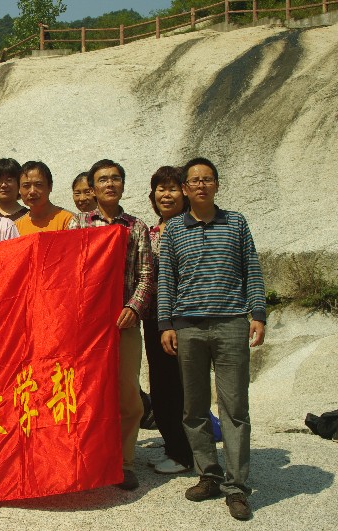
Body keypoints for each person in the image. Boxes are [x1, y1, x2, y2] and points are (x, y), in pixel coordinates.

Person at [158, 158, 266, 521]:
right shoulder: (175, 229)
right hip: (188, 327)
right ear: (185, 189)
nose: (201, 185)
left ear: (216, 185)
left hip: (231, 323)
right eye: (194, 181)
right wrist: (166, 324)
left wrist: (258, 313)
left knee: (235, 408)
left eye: (208, 179)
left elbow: (252, 268)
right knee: (194, 407)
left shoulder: (236, 222)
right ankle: (209, 474)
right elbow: (166, 279)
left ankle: (237, 487)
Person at [67, 159, 153, 491]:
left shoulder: (136, 227)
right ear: (92, 187)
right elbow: (67, 272)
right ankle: (86, 458)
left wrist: (134, 307)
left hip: (123, 324)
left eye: (116, 179)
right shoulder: (78, 225)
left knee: (127, 394)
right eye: (103, 180)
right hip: (87, 327)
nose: (110, 184)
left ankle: (124, 461)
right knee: (85, 392)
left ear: (123, 185)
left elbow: (146, 275)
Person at [143, 166, 193, 475]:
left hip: (183, 319)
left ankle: (185, 453)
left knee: (182, 386)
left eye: (172, 188)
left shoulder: (190, 228)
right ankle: (174, 445)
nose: (166, 194)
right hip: (154, 320)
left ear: (184, 193)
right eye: (160, 189)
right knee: (161, 385)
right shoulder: (151, 232)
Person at [14, 161, 73, 235]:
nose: (32, 191)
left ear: (50, 187)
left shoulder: (68, 220)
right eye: (26, 186)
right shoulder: (15, 227)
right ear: (19, 189)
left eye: (38, 185)